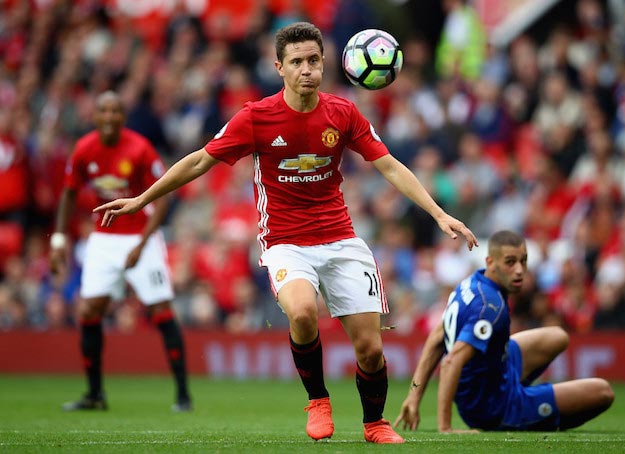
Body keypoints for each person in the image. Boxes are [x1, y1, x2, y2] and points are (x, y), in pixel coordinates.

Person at [93, 22, 478, 444]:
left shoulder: (343, 113)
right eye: (297, 62)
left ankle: (374, 423)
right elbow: (200, 161)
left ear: (325, 63)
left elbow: (388, 165)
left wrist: (440, 214)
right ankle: (317, 399)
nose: (307, 70)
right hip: (285, 242)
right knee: (302, 313)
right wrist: (141, 200)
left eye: (314, 61)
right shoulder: (256, 117)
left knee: (370, 348)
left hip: (341, 239)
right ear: (279, 67)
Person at [50, 91, 192, 412]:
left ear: (123, 117)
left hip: (139, 235)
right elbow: (69, 194)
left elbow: (164, 199)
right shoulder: (85, 149)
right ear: (96, 116)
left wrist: (142, 243)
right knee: (88, 311)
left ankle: (183, 395)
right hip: (103, 237)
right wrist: (58, 240)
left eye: (116, 110)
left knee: (161, 311)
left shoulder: (140, 148)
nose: (111, 116)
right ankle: (95, 394)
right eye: (105, 110)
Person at [395, 230, 614, 432]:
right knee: (603, 392)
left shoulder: (471, 283)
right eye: (510, 262)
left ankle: (528, 392)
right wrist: (445, 427)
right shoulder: (490, 307)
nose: (519, 270)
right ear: (490, 262)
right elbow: (451, 362)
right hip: (490, 405)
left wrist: (413, 398)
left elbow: (436, 337)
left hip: (497, 370)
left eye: (523, 261)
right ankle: (540, 416)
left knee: (558, 336)